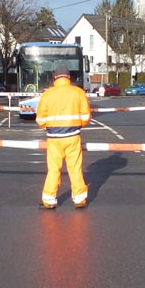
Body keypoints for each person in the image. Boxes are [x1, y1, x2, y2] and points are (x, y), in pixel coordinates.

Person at [36, 61, 92, 209]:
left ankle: (49, 200)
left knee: (54, 169)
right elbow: (86, 117)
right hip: (73, 136)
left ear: (55, 77)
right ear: (68, 76)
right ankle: (79, 199)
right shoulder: (78, 92)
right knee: (75, 168)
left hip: (54, 139)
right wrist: (77, 124)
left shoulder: (47, 94)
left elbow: (40, 120)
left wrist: (48, 126)